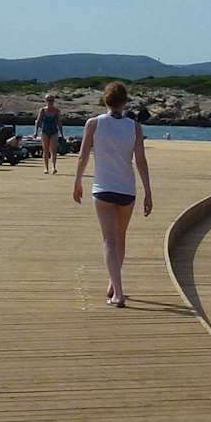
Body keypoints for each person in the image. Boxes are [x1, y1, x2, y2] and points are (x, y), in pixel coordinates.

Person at [73, 81, 152, 306]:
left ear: (105, 100)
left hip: (103, 188)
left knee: (109, 239)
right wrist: (148, 192)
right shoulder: (135, 127)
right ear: (124, 102)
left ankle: (117, 292)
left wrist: (77, 181)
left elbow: (83, 156)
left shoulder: (93, 123)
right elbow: (141, 161)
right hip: (127, 190)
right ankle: (113, 283)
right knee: (120, 237)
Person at [36, 93, 63, 174]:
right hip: (45, 131)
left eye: (52, 100)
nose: (50, 102)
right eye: (48, 100)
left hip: (54, 131)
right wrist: (35, 132)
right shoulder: (42, 110)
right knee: (45, 149)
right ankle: (46, 168)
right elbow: (38, 121)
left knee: (53, 150)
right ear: (46, 101)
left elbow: (59, 122)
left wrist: (62, 133)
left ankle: (54, 167)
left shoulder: (57, 111)